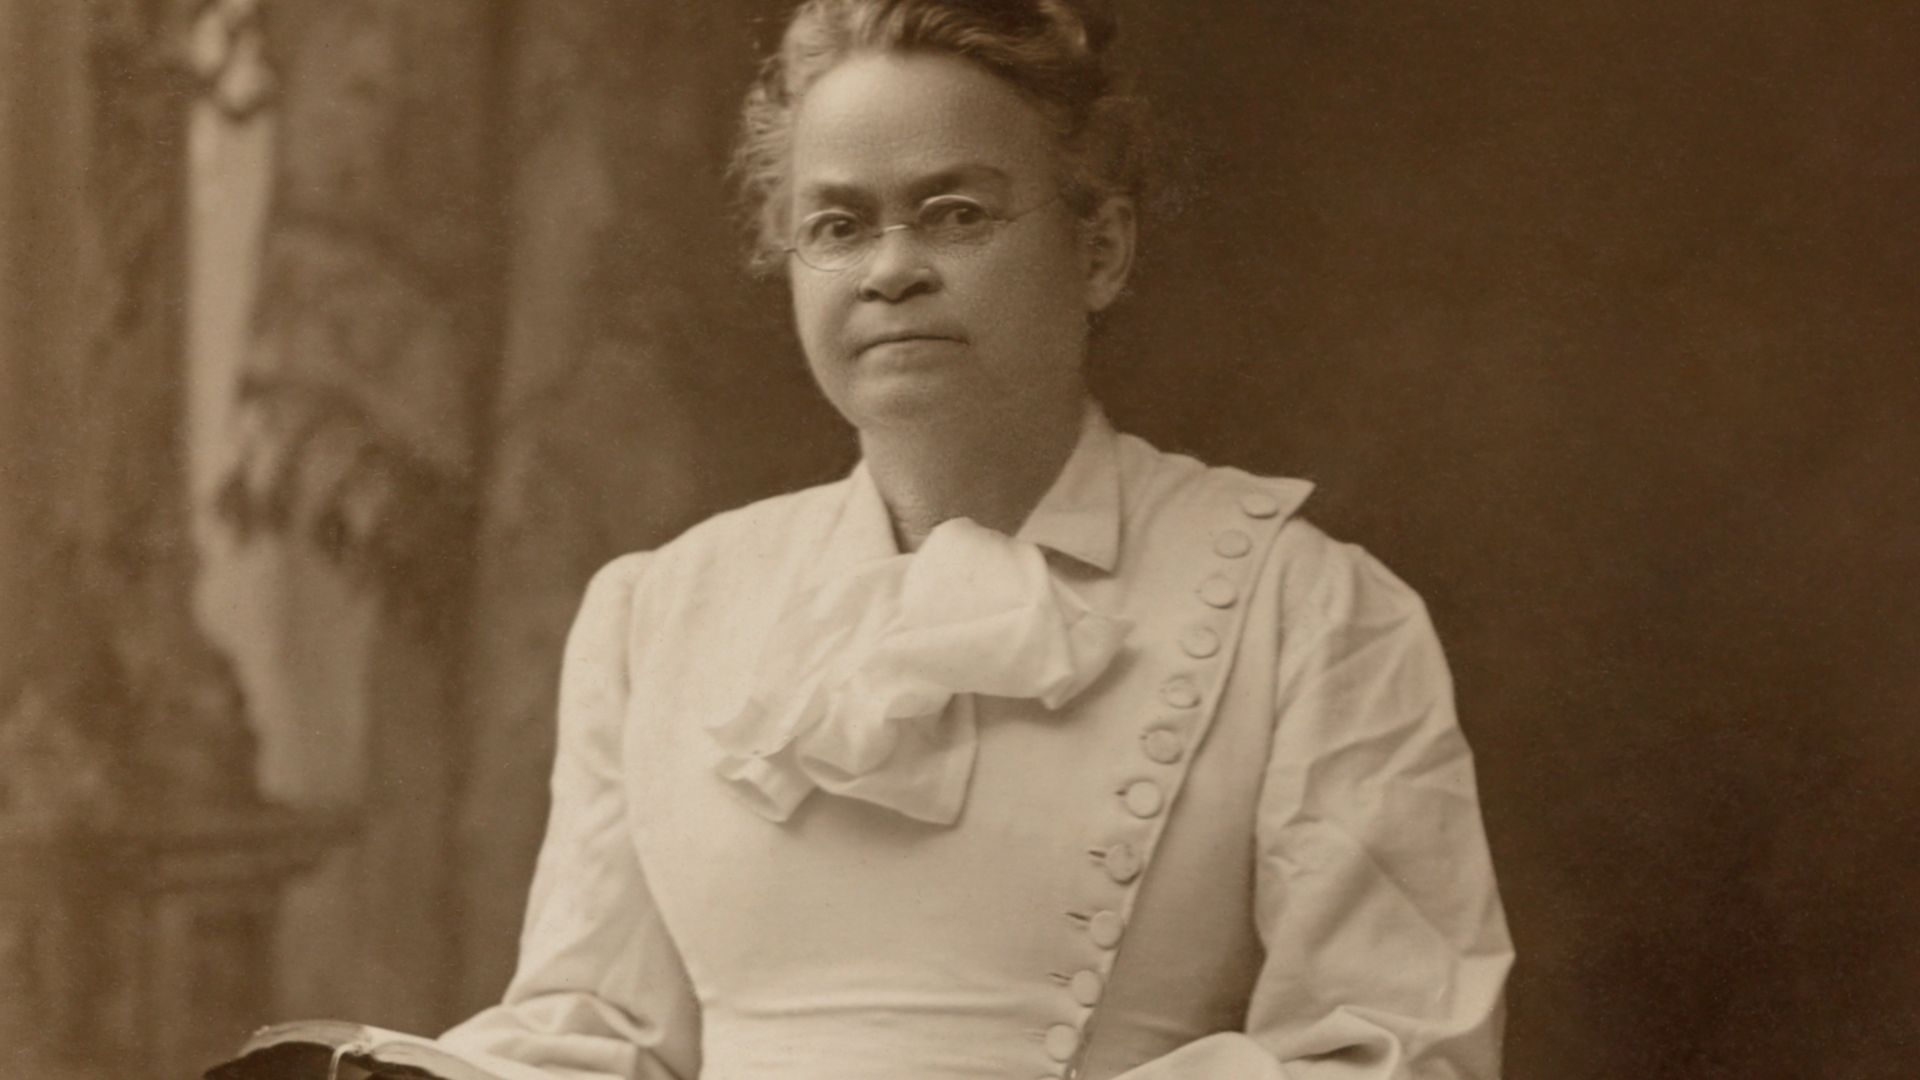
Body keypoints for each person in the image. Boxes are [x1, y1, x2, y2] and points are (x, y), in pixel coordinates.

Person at [442, 1, 1514, 1077]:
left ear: (1099, 250)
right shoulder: (658, 614)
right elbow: (596, 1040)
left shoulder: (1313, 614)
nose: (890, 269)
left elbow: (1395, 1056)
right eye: (838, 226)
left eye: (955, 214)